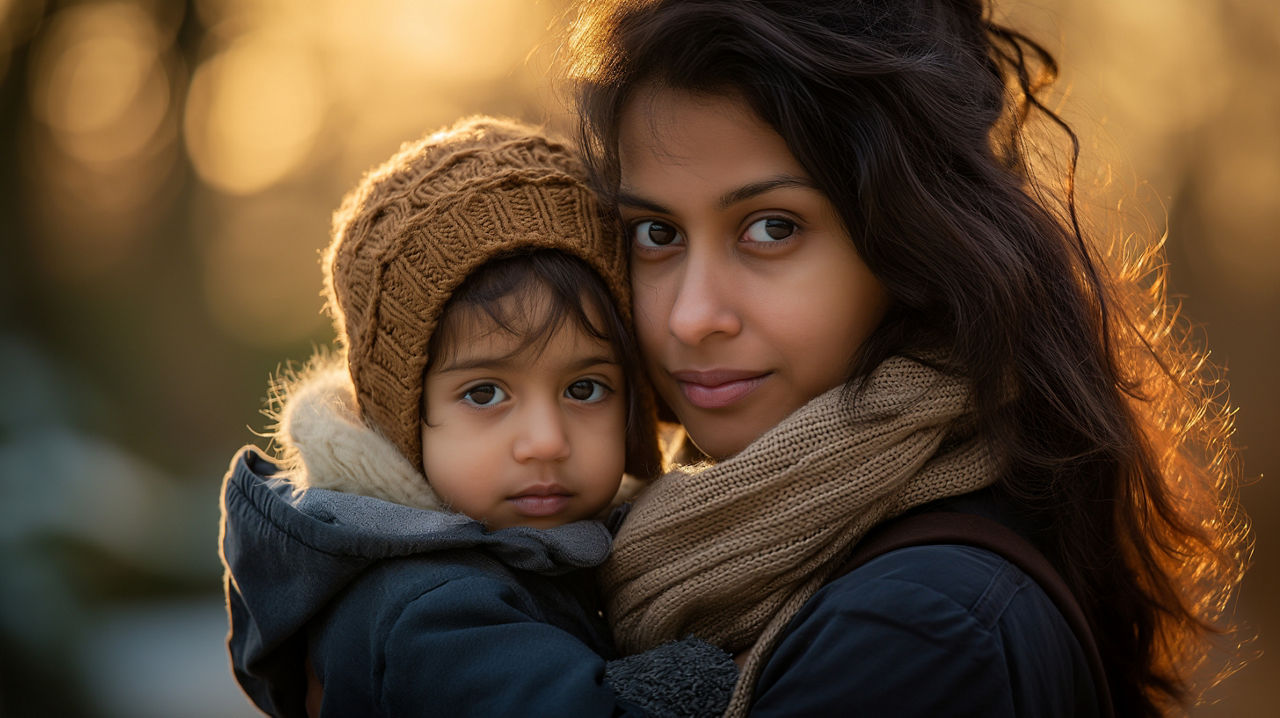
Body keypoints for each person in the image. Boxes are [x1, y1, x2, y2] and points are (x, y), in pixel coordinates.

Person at [565, 1, 1250, 716]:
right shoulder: (676, 554)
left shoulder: (915, 634)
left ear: (909, 241)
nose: (693, 316)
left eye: (773, 228)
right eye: (655, 232)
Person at [218, 117, 736, 718]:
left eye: (585, 387)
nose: (545, 442)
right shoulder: (430, 609)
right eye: (486, 395)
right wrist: (732, 670)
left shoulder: (537, 553)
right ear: (402, 414)